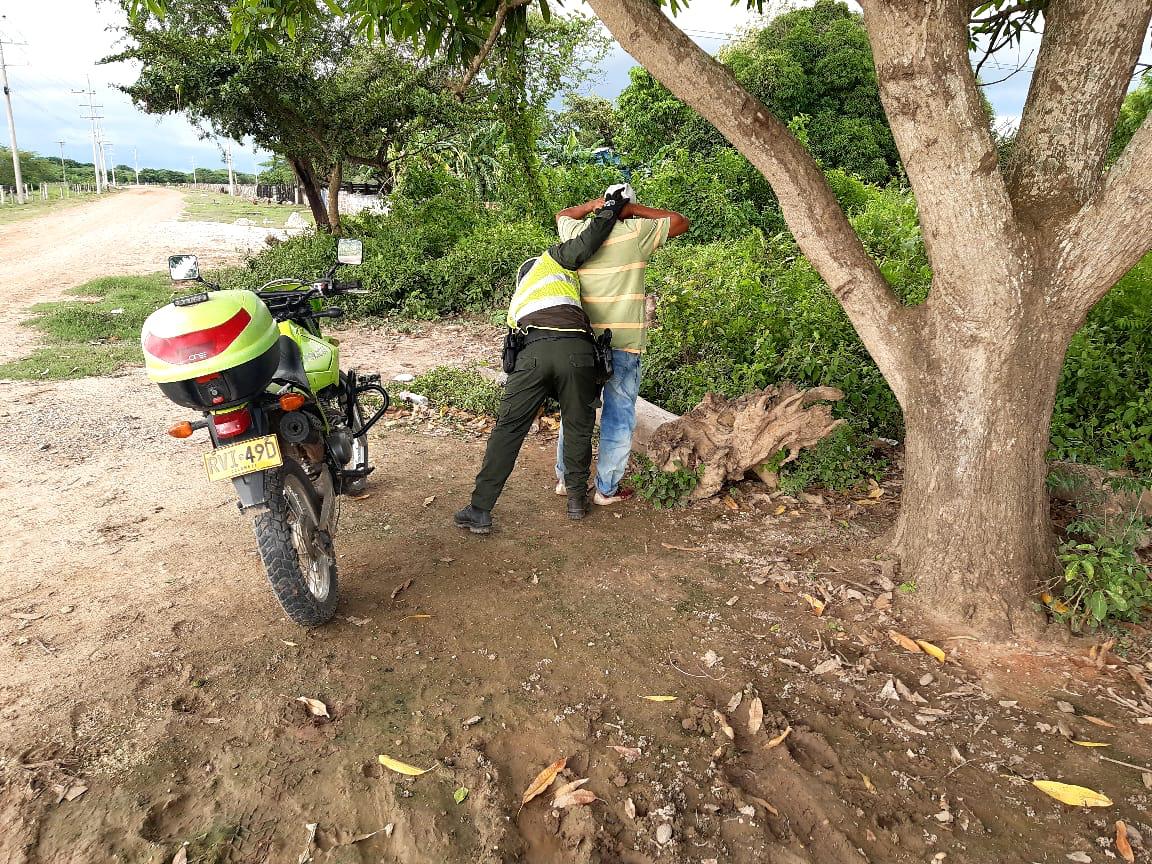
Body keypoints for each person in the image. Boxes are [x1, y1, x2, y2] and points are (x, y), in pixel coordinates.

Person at [453, 192, 627, 535]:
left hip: (533, 353)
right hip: (578, 352)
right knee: (577, 426)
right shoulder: (553, 261)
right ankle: (577, 499)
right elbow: (588, 241)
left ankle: (480, 509)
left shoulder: (518, 302)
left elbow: (511, 355)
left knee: (508, 430)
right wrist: (611, 209)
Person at [553, 185, 689, 504]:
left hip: (582, 341)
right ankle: (606, 489)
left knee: (576, 412)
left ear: (604, 202)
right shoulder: (636, 233)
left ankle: (566, 480)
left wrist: (593, 206)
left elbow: (562, 215)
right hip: (623, 344)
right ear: (627, 204)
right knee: (618, 415)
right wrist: (633, 211)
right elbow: (680, 221)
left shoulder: (578, 232)